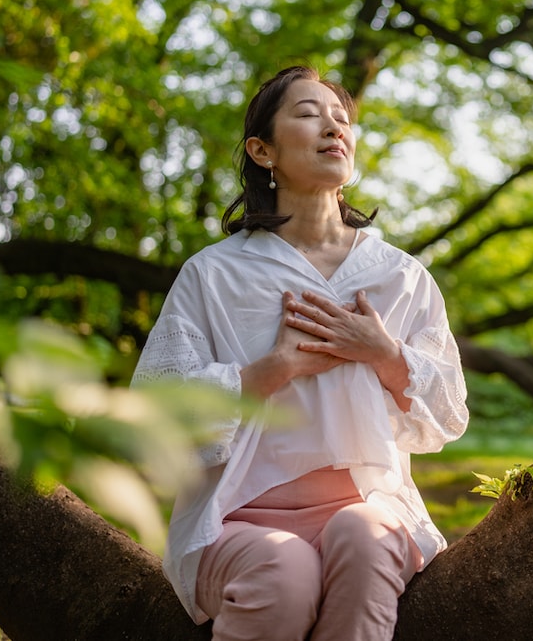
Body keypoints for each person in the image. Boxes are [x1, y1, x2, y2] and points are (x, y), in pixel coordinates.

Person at [132, 66, 469, 641]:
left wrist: (384, 352)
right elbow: (155, 412)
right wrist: (271, 370)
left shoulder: (399, 276)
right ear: (262, 151)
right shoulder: (214, 273)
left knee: (365, 540)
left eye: (342, 118)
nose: (334, 127)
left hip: (369, 505)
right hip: (237, 520)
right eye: (309, 114)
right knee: (281, 572)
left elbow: (448, 413)